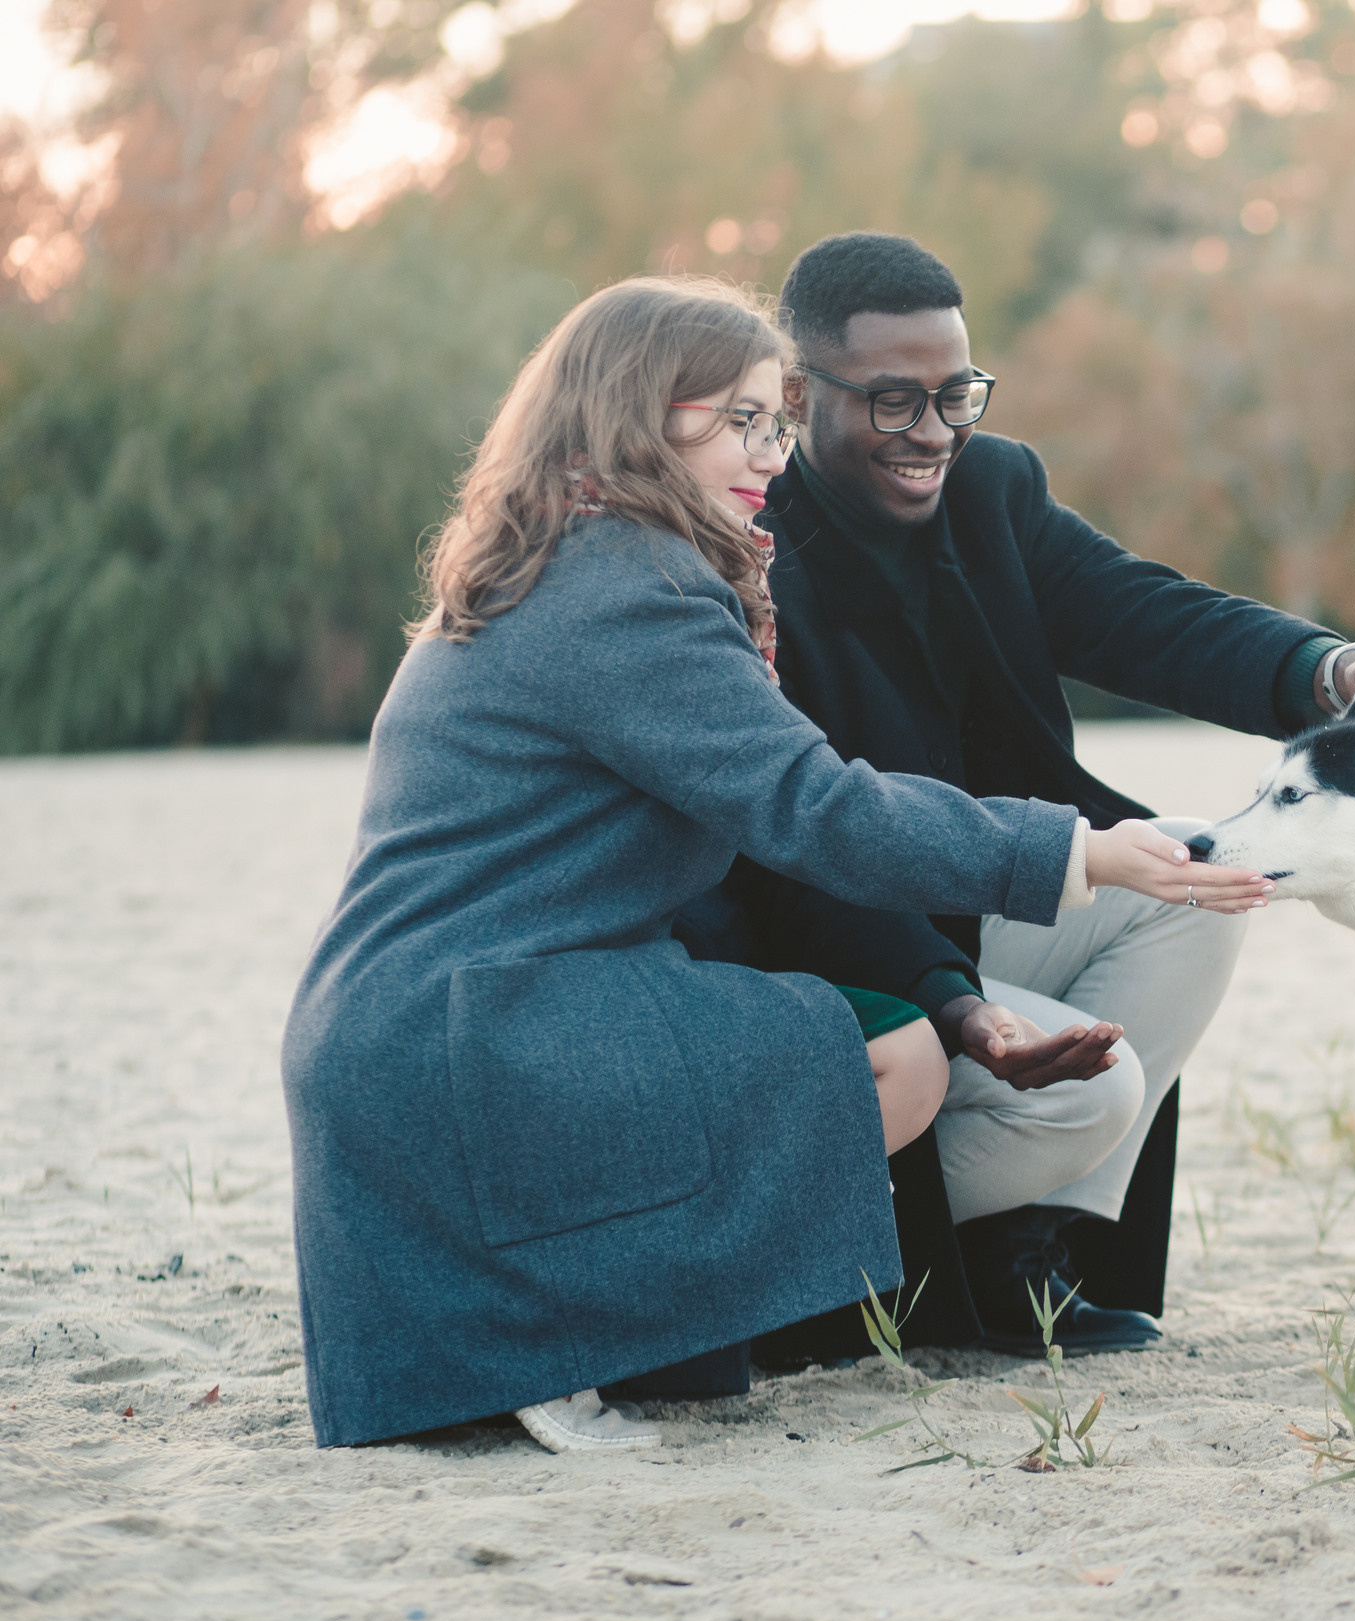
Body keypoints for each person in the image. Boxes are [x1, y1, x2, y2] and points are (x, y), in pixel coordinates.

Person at [279, 277, 1269, 1452]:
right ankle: (569, 1341)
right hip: (478, 1024)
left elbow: (1139, 622)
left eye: (777, 421)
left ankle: (669, 1318)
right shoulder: (624, 586)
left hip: (461, 1007)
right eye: (741, 420)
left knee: (892, 1046)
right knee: (884, 1057)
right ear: (641, 414)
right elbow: (814, 808)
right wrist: (1080, 851)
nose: (772, 452)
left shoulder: (584, 552)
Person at [718, 232, 1355, 1361]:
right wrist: (954, 1001)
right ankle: (860, 1264)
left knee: (1196, 873)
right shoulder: (747, 550)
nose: (933, 433)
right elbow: (794, 844)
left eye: (955, 396)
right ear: (798, 394)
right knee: (1099, 1088)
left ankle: (1029, 1253)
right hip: (830, 943)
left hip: (987, 886)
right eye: (893, 404)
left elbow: (1146, 613)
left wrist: (1336, 670)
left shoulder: (992, 491)